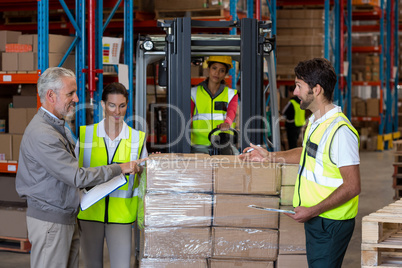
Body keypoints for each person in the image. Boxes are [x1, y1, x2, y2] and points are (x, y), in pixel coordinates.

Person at [15, 67, 145, 268]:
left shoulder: (59, 127)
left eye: (122, 105)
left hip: (70, 217)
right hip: (56, 220)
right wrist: (119, 168)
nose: (76, 99)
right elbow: (76, 176)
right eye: (70, 94)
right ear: (51, 95)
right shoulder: (45, 134)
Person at [240, 58, 361, 268]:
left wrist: (313, 210)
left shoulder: (340, 132)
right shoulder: (316, 121)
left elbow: (352, 186)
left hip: (330, 221)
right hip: (317, 217)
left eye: (298, 86)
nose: (295, 92)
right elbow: (306, 153)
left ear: (316, 90)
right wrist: (269, 157)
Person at [75, 82, 147, 268]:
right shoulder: (86, 135)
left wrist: (143, 169)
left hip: (121, 217)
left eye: (122, 106)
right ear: (103, 105)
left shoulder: (136, 138)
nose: (117, 111)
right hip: (90, 212)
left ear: (127, 105)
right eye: (112, 105)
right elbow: (74, 174)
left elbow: (145, 178)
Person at [190, 56, 238, 154]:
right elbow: (188, 116)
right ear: (208, 69)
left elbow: (231, 112)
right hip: (198, 145)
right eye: (214, 68)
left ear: (225, 74)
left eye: (222, 70)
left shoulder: (231, 94)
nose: (217, 73)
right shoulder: (193, 93)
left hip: (223, 143)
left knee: (238, 160)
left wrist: (227, 123)